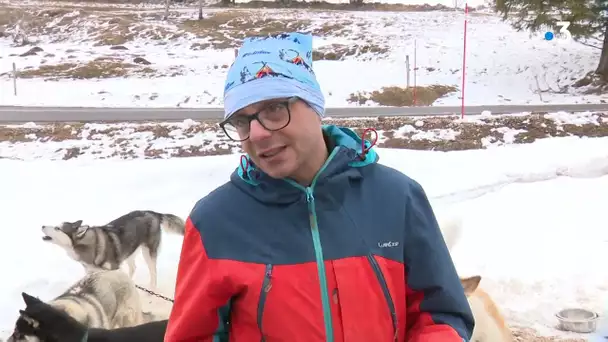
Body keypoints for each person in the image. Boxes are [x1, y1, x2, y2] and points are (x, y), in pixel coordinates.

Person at [164, 32, 474, 342]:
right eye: (242, 121)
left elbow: (441, 313)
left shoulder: (397, 197)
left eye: (273, 109)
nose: (256, 134)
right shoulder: (215, 222)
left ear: (314, 104)